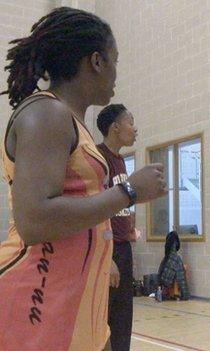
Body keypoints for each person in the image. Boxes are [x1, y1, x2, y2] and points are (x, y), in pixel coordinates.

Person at [0, 7, 166, 351]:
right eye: (115, 60)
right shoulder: (46, 113)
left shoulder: (74, 123)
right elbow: (34, 221)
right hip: (36, 300)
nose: (117, 72)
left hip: (74, 304)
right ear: (96, 61)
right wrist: (129, 190)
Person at [96, 104, 141, 351]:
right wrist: (107, 256)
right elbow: (95, 209)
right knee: (103, 319)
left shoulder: (120, 160)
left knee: (123, 320)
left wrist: (128, 223)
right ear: (115, 128)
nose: (135, 128)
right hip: (107, 250)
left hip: (123, 247)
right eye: (130, 121)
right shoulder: (98, 157)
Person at [157, 231, 189, 300]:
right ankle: (176, 293)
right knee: (181, 270)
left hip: (163, 283)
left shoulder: (165, 259)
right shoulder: (176, 259)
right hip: (168, 281)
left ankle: (171, 293)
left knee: (177, 270)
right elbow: (182, 279)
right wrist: (185, 295)